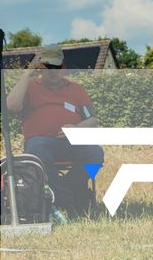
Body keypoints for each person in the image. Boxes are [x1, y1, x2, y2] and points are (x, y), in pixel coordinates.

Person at [6, 45, 104, 175]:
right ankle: (59, 191)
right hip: (40, 143)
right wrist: (27, 73)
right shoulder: (30, 87)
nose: (53, 71)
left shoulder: (77, 89)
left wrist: (77, 128)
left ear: (64, 66)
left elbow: (92, 120)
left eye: (57, 66)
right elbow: (11, 106)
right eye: (49, 66)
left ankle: (75, 187)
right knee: (37, 149)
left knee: (95, 152)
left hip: (72, 143)